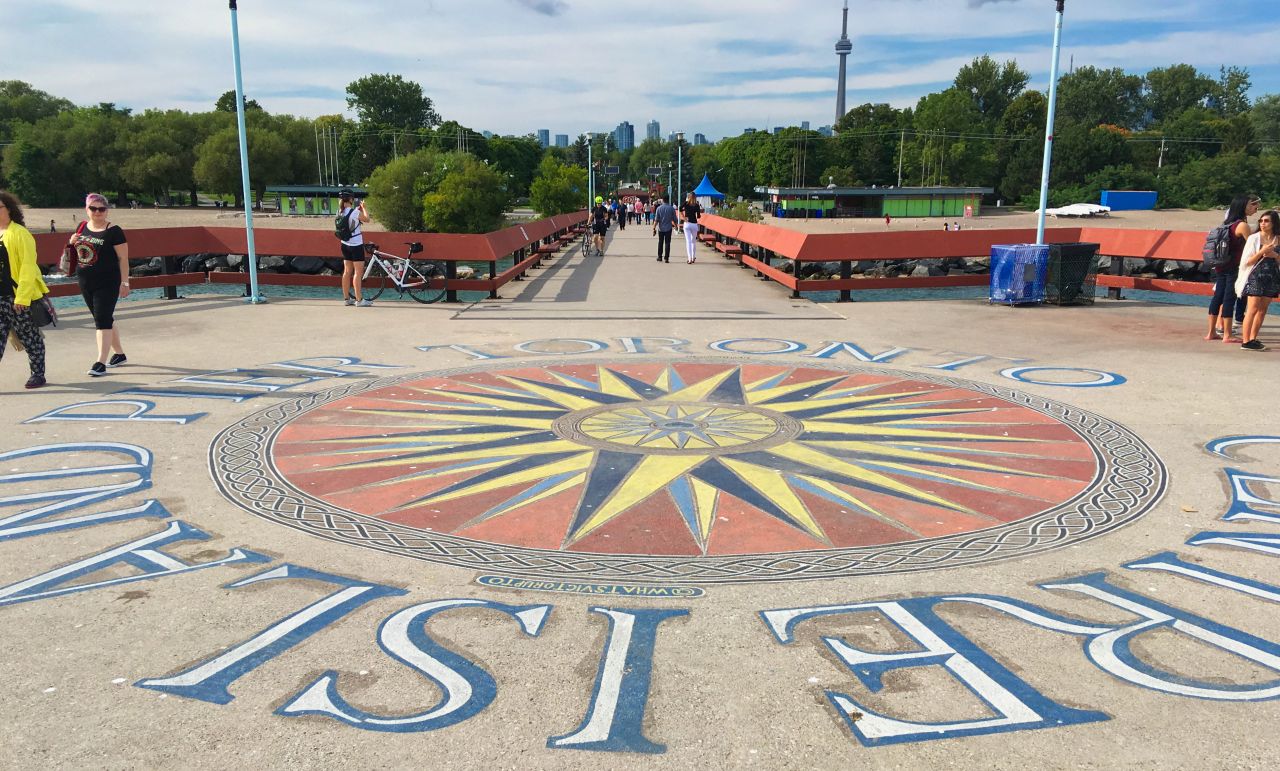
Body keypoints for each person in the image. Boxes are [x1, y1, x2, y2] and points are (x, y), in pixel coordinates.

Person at [71, 193, 130, 376]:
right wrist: (72, 242)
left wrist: (125, 282)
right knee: (104, 318)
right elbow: (81, 252)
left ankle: (100, 362)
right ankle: (119, 354)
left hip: (108, 281)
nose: (97, 212)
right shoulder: (82, 227)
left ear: (107, 210)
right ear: (87, 209)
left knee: (101, 320)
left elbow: (123, 258)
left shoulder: (114, 231)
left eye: (101, 209)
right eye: (93, 208)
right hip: (86, 281)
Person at [0, 191, 48, 389]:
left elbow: (29, 268)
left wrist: (22, 297)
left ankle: (38, 373)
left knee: (29, 337)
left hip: (17, 296)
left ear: (8, 209)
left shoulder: (20, 233)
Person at [1207, 195, 1257, 342]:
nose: (1254, 207)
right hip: (1234, 266)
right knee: (1229, 298)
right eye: (1250, 205)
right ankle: (1227, 334)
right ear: (1242, 207)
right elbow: (1251, 245)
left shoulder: (1226, 224)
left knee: (1218, 297)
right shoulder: (1242, 225)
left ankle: (1211, 332)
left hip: (1221, 264)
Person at [1236, 208, 1280, 351]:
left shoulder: (1278, 239)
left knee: (1263, 309)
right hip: (1256, 275)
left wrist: (1275, 255)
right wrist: (1261, 252)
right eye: (1261, 220)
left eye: (1266, 221)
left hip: (1272, 276)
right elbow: (1246, 262)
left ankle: (1253, 338)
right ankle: (1246, 340)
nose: (1263, 223)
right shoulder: (1254, 238)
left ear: (1274, 223)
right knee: (1252, 308)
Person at [337, 190, 372, 307]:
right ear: (351, 199)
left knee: (347, 272)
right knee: (358, 272)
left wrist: (357, 210)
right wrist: (364, 208)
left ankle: (346, 299)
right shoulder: (354, 213)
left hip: (344, 244)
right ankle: (359, 300)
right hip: (356, 245)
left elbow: (350, 217)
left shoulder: (339, 211)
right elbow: (367, 219)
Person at [680, 192, 704, 264]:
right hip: (694, 224)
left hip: (687, 223)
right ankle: (693, 257)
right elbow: (699, 216)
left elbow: (680, 208)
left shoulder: (686, 203)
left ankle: (689, 258)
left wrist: (684, 217)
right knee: (693, 242)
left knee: (688, 242)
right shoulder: (696, 205)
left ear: (689, 197)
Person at [651, 197, 677, 263]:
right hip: (668, 228)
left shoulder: (659, 208)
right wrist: (676, 226)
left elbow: (656, 220)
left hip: (661, 229)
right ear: (668, 200)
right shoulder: (671, 208)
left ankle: (660, 257)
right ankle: (666, 258)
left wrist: (654, 228)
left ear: (663, 200)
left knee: (660, 242)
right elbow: (675, 219)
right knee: (667, 243)